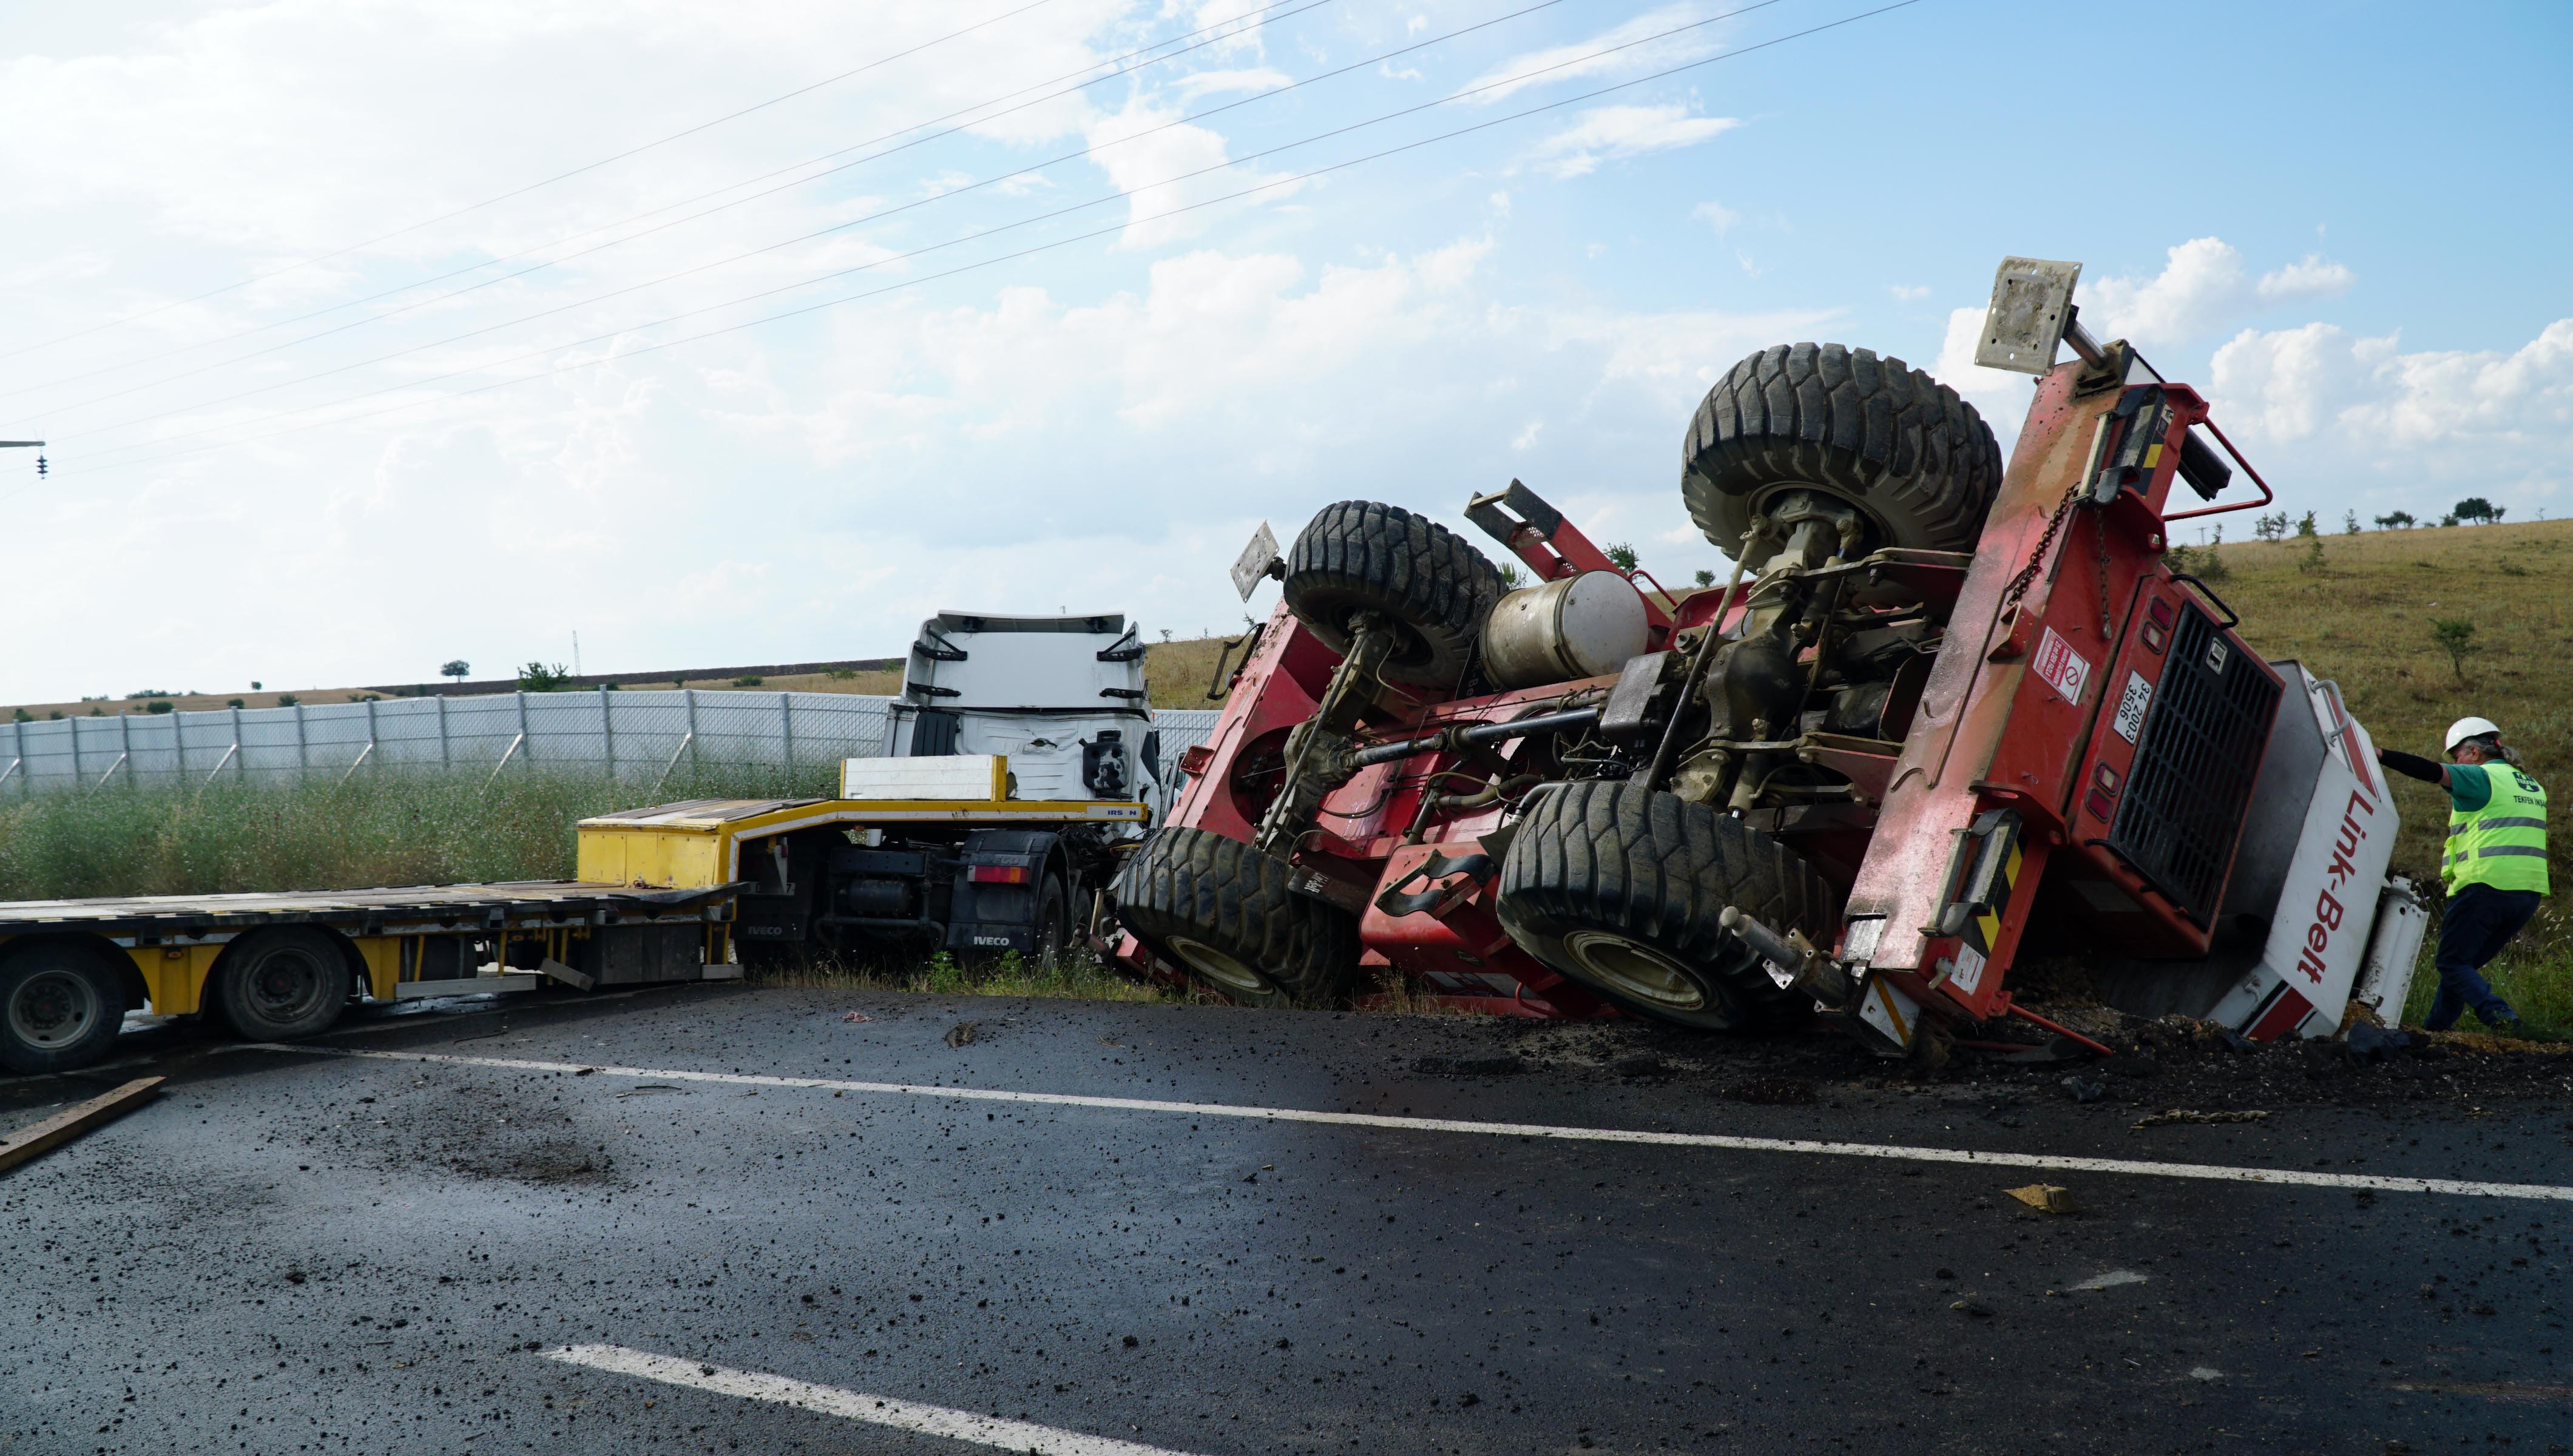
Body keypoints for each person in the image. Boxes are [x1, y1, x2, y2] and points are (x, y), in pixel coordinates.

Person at [2376, 716, 2545, 1031]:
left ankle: (2501, 1017)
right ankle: (2435, 1030)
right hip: (2527, 894)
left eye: (2458, 757)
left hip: (2485, 885)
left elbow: (2429, 771)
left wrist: (2383, 755)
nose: (2457, 765)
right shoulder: (2530, 784)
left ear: (2474, 754)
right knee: (2461, 967)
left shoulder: (2480, 777)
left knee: (2450, 962)